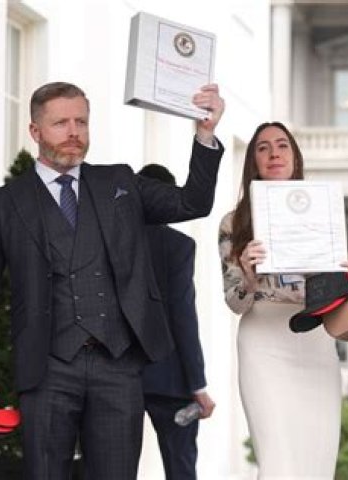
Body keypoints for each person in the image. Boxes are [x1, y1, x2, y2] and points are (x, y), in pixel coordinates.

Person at [0, 81, 225, 480]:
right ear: (35, 131)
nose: (74, 132)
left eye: (81, 122)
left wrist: (205, 134)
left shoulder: (120, 183)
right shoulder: (3, 205)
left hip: (119, 366)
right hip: (46, 369)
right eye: (61, 123)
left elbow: (192, 202)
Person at [218, 121, 341, 479]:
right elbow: (234, 303)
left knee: (317, 463)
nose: (274, 153)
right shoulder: (234, 223)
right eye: (263, 147)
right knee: (277, 463)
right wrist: (249, 275)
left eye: (282, 145)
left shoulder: (324, 212)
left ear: (295, 157)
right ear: (253, 161)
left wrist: (341, 274)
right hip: (264, 341)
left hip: (315, 336)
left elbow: (336, 290)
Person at [138, 163, 215, 480]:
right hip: (170, 377)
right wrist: (197, 383)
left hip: (117, 375)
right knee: (180, 469)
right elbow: (183, 315)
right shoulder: (178, 245)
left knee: (110, 466)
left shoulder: (108, 240)